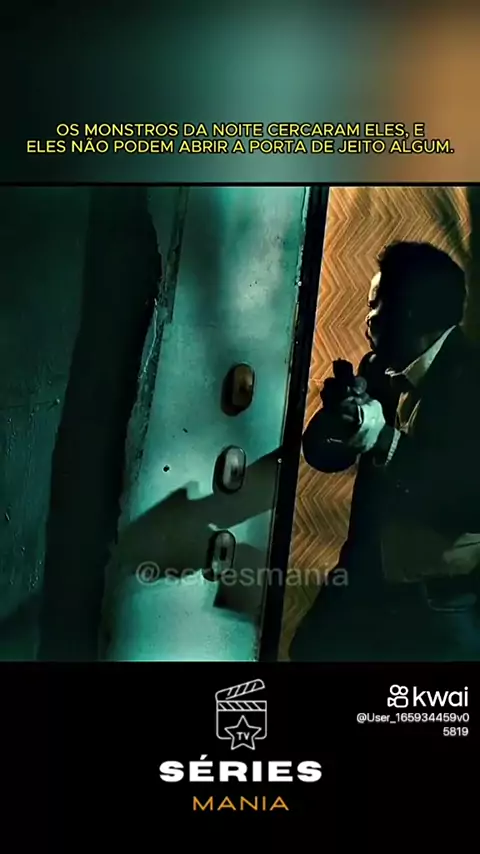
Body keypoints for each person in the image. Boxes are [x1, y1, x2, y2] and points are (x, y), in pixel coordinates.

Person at [290, 241, 480, 662]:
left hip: (440, 603)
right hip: (364, 579)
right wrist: (340, 415)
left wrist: (384, 441)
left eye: (375, 303)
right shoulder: (378, 367)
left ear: (408, 310)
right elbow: (321, 454)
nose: (368, 318)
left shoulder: (474, 383)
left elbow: (470, 503)